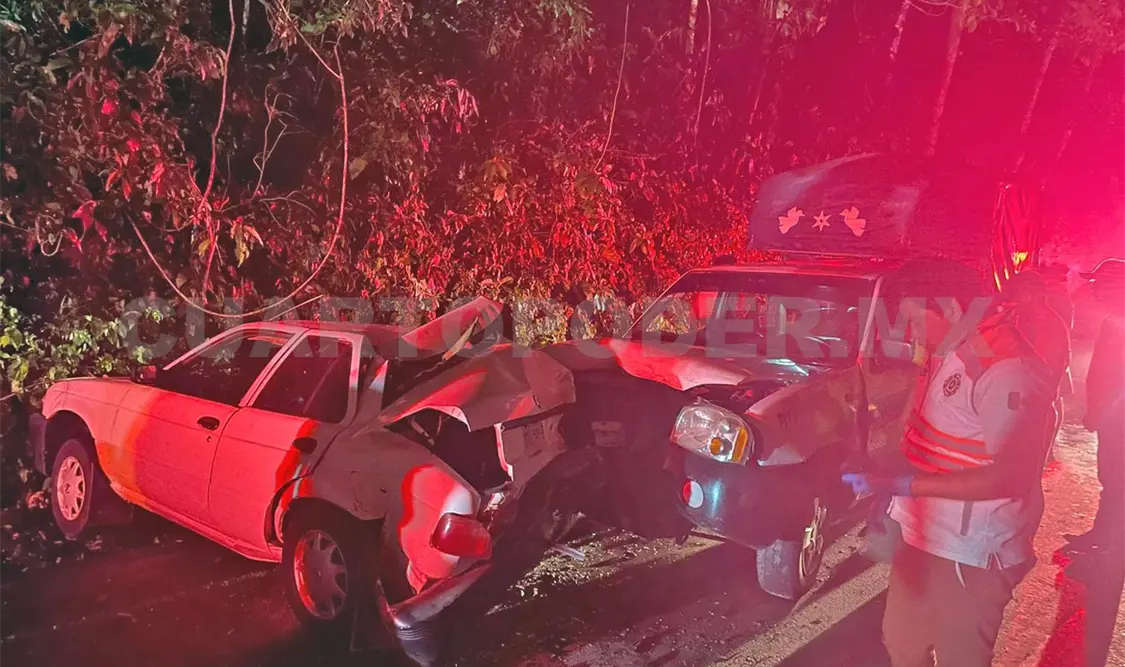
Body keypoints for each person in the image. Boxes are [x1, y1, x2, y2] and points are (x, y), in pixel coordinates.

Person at [845, 259, 1066, 667]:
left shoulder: (1005, 368)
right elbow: (927, 433)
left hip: (971, 552)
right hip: (923, 534)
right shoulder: (947, 350)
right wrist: (884, 476)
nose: (910, 335)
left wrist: (904, 485)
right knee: (902, 643)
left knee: (959, 658)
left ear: (948, 309)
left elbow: (1011, 477)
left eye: (914, 322)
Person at [1063, 258, 1125, 552]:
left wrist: (1101, 412)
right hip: (1112, 419)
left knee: (1116, 478)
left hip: (1117, 420)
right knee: (1112, 477)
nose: (1094, 289)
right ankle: (1104, 535)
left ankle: (1109, 542)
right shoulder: (1113, 320)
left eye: (1100, 283)